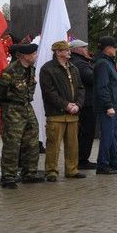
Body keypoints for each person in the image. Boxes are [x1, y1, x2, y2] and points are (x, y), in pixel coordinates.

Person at [0, 43, 44, 187]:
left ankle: (29, 173)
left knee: (32, 140)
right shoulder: (10, 71)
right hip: (12, 108)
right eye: (34, 54)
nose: (36, 56)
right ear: (25, 56)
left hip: (26, 107)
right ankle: (8, 176)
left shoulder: (30, 69)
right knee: (13, 143)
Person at [39, 40, 85, 181]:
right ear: (58, 52)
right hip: (56, 114)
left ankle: (72, 169)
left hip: (73, 114)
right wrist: (66, 105)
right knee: (53, 144)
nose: (69, 52)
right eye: (66, 50)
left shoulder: (74, 68)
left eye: (69, 49)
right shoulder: (48, 69)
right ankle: (51, 171)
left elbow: (81, 89)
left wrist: (78, 104)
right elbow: (49, 92)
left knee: (73, 145)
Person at [93, 37, 117, 174]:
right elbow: (103, 87)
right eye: (114, 47)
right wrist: (108, 105)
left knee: (113, 135)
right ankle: (102, 164)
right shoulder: (103, 63)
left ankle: (114, 161)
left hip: (113, 105)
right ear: (108, 48)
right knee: (107, 136)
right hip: (107, 107)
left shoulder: (108, 62)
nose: (116, 50)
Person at [69, 39, 97, 169]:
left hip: (84, 102)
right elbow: (91, 78)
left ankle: (81, 158)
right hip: (85, 103)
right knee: (86, 132)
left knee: (85, 132)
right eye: (84, 48)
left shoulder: (79, 61)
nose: (87, 50)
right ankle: (82, 159)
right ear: (77, 49)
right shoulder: (80, 63)